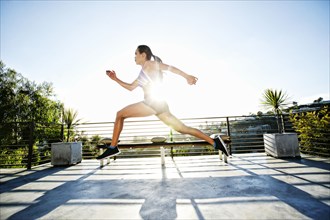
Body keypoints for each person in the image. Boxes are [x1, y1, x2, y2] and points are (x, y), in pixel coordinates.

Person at [96, 45, 229, 160]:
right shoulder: (143, 71)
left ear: (143, 54)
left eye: (136, 54)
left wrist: (187, 76)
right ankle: (215, 142)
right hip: (159, 105)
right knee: (183, 129)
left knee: (120, 114)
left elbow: (170, 68)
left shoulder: (150, 64)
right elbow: (131, 87)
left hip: (152, 103)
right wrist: (115, 79)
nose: (134, 56)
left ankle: (113, 147)